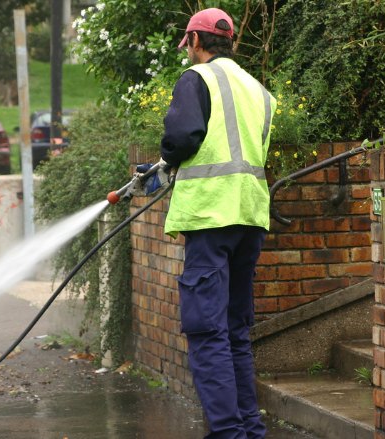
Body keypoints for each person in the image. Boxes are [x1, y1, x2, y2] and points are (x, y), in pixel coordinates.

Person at [159, 7, 276, 439]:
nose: (188, 51)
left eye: (188, 44)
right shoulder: (259, 90)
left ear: (195, 41)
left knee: (206, 331)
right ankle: (248, 430)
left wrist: (167, 159)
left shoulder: (197, 80)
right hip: (249, 216)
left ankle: (228, 434)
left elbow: (183, 137)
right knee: (234, 331)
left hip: (211, 216)